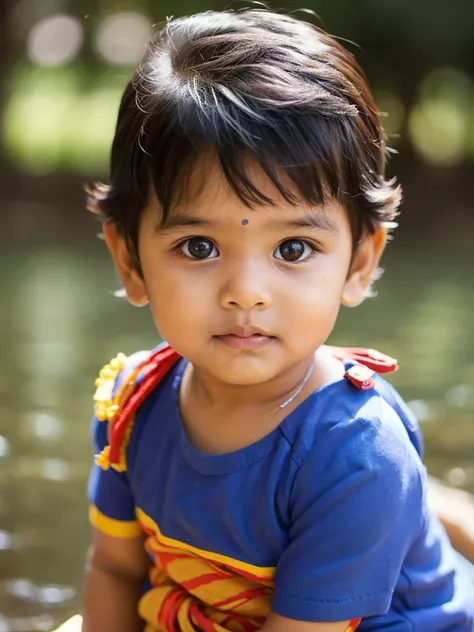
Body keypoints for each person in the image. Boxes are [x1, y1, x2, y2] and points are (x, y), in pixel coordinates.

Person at [81, 8, 474, 632]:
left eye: (293, 249)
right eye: (198, 248)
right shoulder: (133, 405)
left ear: (359, 263)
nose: (246, 293)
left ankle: (436, 512)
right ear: (130, 260)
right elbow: (115, 571)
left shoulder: (358, 457)